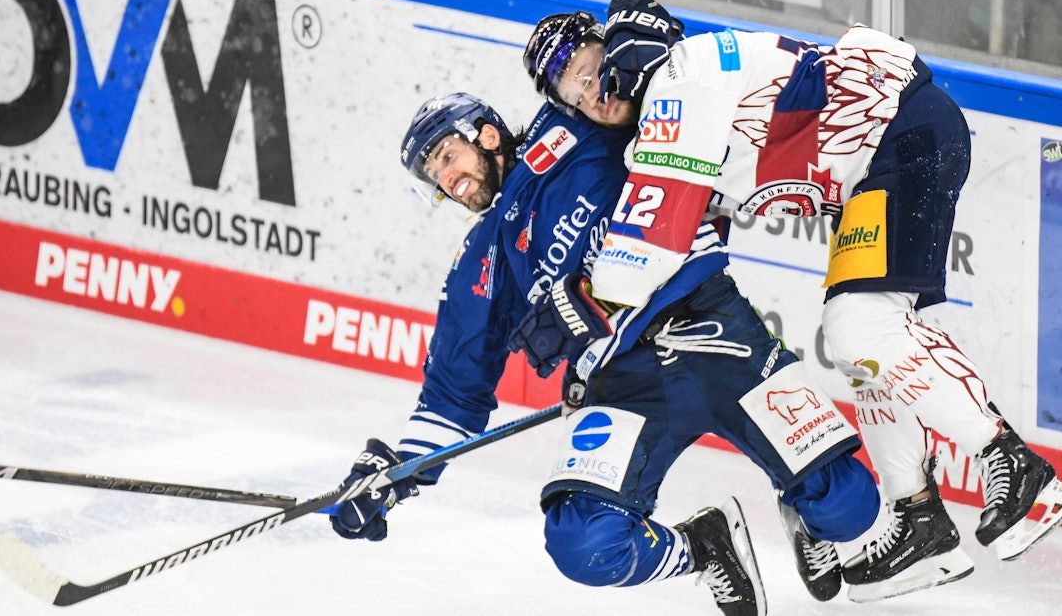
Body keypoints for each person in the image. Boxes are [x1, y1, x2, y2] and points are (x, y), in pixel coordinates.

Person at [520, 0, 1062, 602]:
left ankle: (1013, 462)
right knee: (859, 341)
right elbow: (684, 243)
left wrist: (581, 311)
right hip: (878, 163)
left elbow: (655, 233)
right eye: (571, 91)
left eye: (588, 67)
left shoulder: (680, 77)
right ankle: (916, 516)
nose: (590, 90)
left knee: (859, 328)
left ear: (616, 48)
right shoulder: (667, 116)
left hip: (902, 135)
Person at [328, 88, 881, 614]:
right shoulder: (483, 255)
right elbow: (454, 390)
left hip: (717, 330)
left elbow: (673, 110)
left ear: (488, 134)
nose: (451, 180)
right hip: (626, 385)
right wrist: (397, 473)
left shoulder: (577, 122)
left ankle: (806, 508)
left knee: (851, 507)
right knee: (585, 545)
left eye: (449, 156)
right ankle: (706, 546)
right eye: (436, 175)